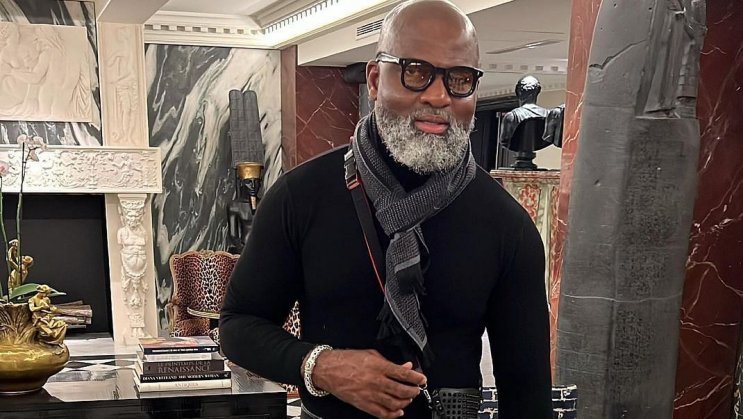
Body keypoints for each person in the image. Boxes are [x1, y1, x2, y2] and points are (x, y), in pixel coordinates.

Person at [220, 1, 552, 418]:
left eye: (459, 79)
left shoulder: (506, 225)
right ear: (376, 79)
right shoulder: (301, 196)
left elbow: (528, 395)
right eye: (416, 72)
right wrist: (322, 366)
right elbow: (238, 325)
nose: (438, 96)